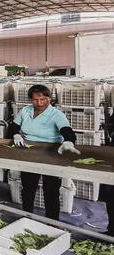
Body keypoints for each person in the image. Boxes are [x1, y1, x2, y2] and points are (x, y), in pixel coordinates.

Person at [10, 84, 80, 220]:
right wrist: (16, 135)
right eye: (35, 100)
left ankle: (52, 222)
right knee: (28, 188)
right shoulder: (25, 111)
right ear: (31, 100)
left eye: (43, 99)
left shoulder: (56, 114)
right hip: (29, 152)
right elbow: (14, 127)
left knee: (51, 190)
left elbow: (67, 130)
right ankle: (27, 216)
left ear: (49, 99)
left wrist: (69, 141)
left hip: (51, 153)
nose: (39, 103)